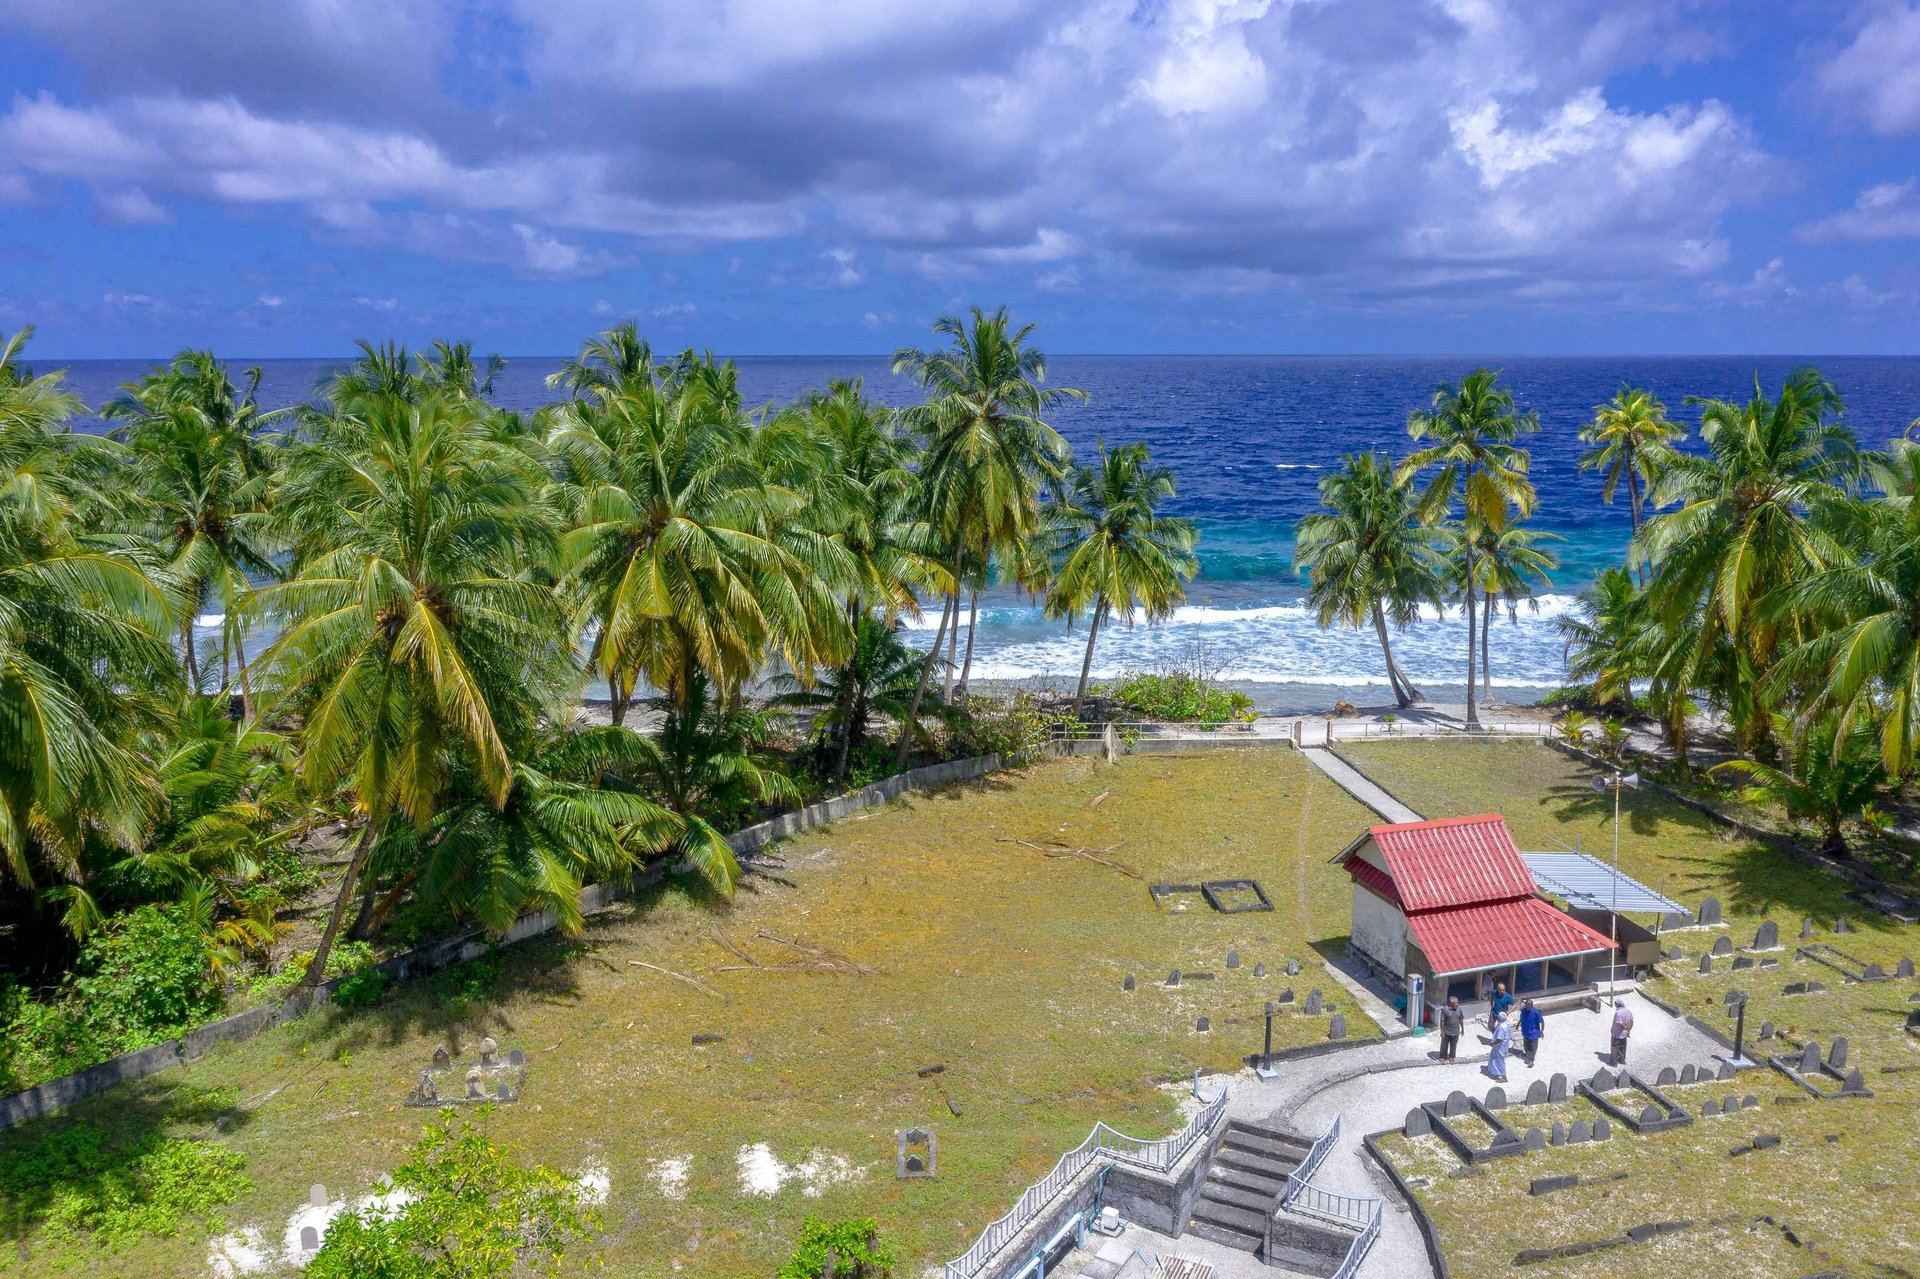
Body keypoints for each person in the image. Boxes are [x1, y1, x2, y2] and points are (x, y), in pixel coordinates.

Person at [1487, 1012, 1513, 1083]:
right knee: (1494, 1058)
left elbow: (1500, 1038)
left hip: (1500, 1047)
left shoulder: (1502, 1027)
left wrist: (1493, 1043)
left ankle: (1503, 1077)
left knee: (1500, 1061)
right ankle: (1494, 1071)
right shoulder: (1507, 1024)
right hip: (1504, 1045)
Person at [1519, 998, 1544, 1066]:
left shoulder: (1536, 1012)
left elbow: (1542, 1022)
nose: (1526, 1008)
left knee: (1533, 1047)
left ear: (1531, 1006)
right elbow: (1521, 1018)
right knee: (1526, 1045)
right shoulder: (1523, 1010)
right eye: (1526, 1006)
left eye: (1528, 1006)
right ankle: (1527, 1054)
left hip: (1534, 1033)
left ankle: (1531, 1061)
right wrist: (1518, 1024)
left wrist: (1542, 1031)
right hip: (1526, 1031)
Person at [1438, 996, 1463, 1061]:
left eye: (1457, 1002)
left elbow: (1461, 1019)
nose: (1457, 1004)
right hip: (1447, 1032)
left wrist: (1463, 1029)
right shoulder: (1445, 1010)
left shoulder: (1459, 1009)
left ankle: (1452, 1056)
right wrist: (1442, 1032)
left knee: (1453, 1045)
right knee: (1444, 1045)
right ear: (1450, 1003)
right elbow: (1442, 1021)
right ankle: (1443, 1057)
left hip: (1455, 1031)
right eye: (1455, 1003)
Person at [1610, 1001, 1634, 1066]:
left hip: (1617, 1034)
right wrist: (1628, 1031)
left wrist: (1625, 1027)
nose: (1615, 1005)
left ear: (1618, 1004)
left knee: (1615, 1048)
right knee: (1623, 1047)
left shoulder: (1618, 1012)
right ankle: (1622, 1061)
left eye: (1615, 1004)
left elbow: (1620, 1023)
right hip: (1624, 1034)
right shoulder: (1628, 1011)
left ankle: (1614, 1063)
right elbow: (1631, 1021)